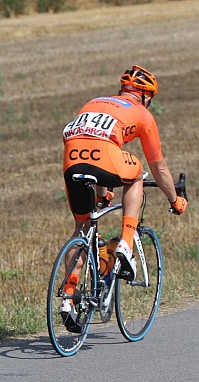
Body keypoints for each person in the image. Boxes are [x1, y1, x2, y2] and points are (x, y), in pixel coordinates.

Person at [59, 64, 187, 330]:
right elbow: (159, 167)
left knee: (81, 228)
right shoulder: (141, 113)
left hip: (72, 160)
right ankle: (126, 244)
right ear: (145, 95)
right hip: (104, 157)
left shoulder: (94, 102)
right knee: (137, 173)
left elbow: (90, 142)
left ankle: (68, 297)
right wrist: (175, 200)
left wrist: (103, 194)